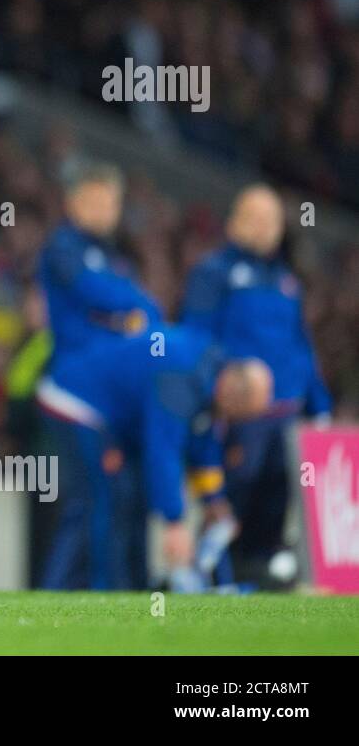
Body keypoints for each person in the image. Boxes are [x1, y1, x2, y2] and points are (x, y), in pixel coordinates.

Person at [35, 324, 272, 590]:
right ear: (232, 396)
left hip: (115, 418)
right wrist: (174, 521)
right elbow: (163, 450)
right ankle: (86, 588)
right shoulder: (180, 379)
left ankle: (132, 588)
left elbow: (202, 440)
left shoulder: (209, 374)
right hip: (76, 400)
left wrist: (213, 499)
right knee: (102, 500)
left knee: (132, 500)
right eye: (239, 415)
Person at [180, 184, 332, 587]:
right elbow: (197, 338)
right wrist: (213, 396)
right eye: (255, 217)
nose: (265, 228)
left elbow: (301, 346)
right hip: (241, 414)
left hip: (285, 417)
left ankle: (261, 584)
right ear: (234, 222)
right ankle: (212, 580)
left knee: (275, 506)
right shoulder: (213, 272)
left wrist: (319, 406)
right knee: (230, 504)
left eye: (272, 220)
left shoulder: (285, 281)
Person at [37, 160, 161, 376]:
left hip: (108, 367)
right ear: (72, 202)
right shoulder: (63, 246)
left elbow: (149, 311)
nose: (101, 211)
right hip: (70, 364)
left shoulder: (116, 257)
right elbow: (96, 292)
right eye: (93, 202)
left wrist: (138, 312)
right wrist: (131, 310)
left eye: (109, 204)